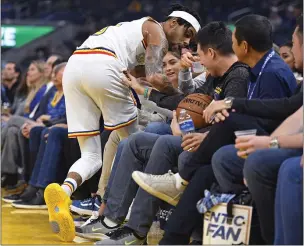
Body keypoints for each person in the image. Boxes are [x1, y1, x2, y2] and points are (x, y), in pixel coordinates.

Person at [44, 4, 201, 242]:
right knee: (134, 144)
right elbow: (154, 76)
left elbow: (138, 72)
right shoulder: (155, 28)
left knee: (92, 154)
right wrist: (182, 99)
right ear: (173, 23)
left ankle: (64, 192)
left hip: (75, 66)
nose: (185, 43)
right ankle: (114, 218)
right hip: (104, 64)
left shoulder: (132, 33)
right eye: (186, 34)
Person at [131, 14, 297, 208]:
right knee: (147, 136)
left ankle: (179, 199)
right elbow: (188, 102)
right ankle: (139, 218)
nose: (231, 47)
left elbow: (260, 120)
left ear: (243, 47)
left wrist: (208, 135)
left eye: (233, 42)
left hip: (255, 142)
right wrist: (177, 115)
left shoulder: (260, 74)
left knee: (192, 150)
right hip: (223, 134)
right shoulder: (253, 70)